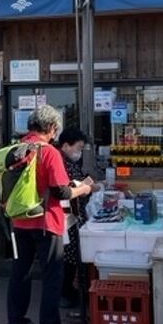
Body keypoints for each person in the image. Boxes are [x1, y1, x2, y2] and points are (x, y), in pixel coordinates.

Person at [6, 105, 93, 324]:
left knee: (19, 274)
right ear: (52, 128)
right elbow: (62, 191)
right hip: (47, 223)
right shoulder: (49, 152)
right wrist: (84, 189)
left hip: (18, 222)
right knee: (52, 277)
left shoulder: (15, 149)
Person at [56, 128, 99, 310]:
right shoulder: (60, 162)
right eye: (78, 148)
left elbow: (79, 180)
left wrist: (91, 184)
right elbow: (70, 187)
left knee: (72, 254)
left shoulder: (67, 160)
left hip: (72, 214)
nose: (79, 152)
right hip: (65, 215)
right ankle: (64, 293)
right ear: (66, 145)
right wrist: (90, 187)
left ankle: (68, 291)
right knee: (68, 255)